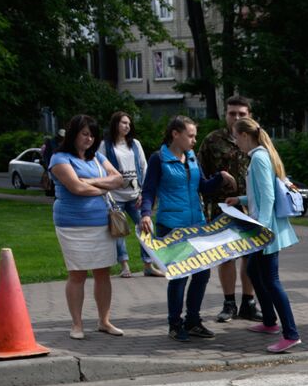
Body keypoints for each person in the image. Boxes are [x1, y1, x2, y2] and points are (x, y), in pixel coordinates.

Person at [139, 115, 234, 342]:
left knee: (202, 274)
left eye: (195, 135)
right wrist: (145, 214)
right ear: (175, 134)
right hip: (171, 226)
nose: (194, 140)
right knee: (179, 277)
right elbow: (149, 190)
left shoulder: (191, 157)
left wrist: (220, 177)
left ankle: (193, 321)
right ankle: (175, 324)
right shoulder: (158, 159)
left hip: (197, 224)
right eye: (190, 135)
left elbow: (202, 186)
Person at [227, 118, 302, 353]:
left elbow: (268, 198)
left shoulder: (259, 158)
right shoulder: (261, 156)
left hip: (265, 232)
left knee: (271, 280)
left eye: (236, 136)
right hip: (265, 229)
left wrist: (262, 230)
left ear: (245, 136)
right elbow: (260, 195)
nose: (235, 141)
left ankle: (291, 334)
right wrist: (240, 200)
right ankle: (270, 322)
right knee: (253, 271)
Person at [48, 114, 124, 339]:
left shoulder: (97, 158)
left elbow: (119, 179)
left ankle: (104, 321)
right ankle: (77, 324)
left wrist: (88, 182)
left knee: (103, 273)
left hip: (101, 223)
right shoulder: (59, 158)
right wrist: (103, 188)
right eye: (84, 134)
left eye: (92, 135)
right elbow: (75, 188)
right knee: (77, 274)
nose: (89, 139)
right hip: (73, 225)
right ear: (73, 134)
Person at [200, 95, 260, 322]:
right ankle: (228, 304)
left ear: (249, 115)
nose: (236, 117)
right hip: (222, 209)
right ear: (225, 114)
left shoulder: (258, 140)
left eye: (241, 114)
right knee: (226, 257)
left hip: (251, 209)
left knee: (251, 257)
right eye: (232, 113)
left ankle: (248, 302)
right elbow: (200, 176)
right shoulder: (212, 140)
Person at [98, 110, 156, 278]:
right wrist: (107, 192)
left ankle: (148, 264)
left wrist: (143, 192)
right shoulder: (106, 145)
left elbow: (144, 167)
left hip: (135, 196)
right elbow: (102, 169)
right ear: (115, 124)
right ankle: (124, 265)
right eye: (123, 123)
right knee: (119, 231)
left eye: (129, 124)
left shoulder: (135, 144)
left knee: (146, 227)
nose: (127, 126)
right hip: (115, 197)